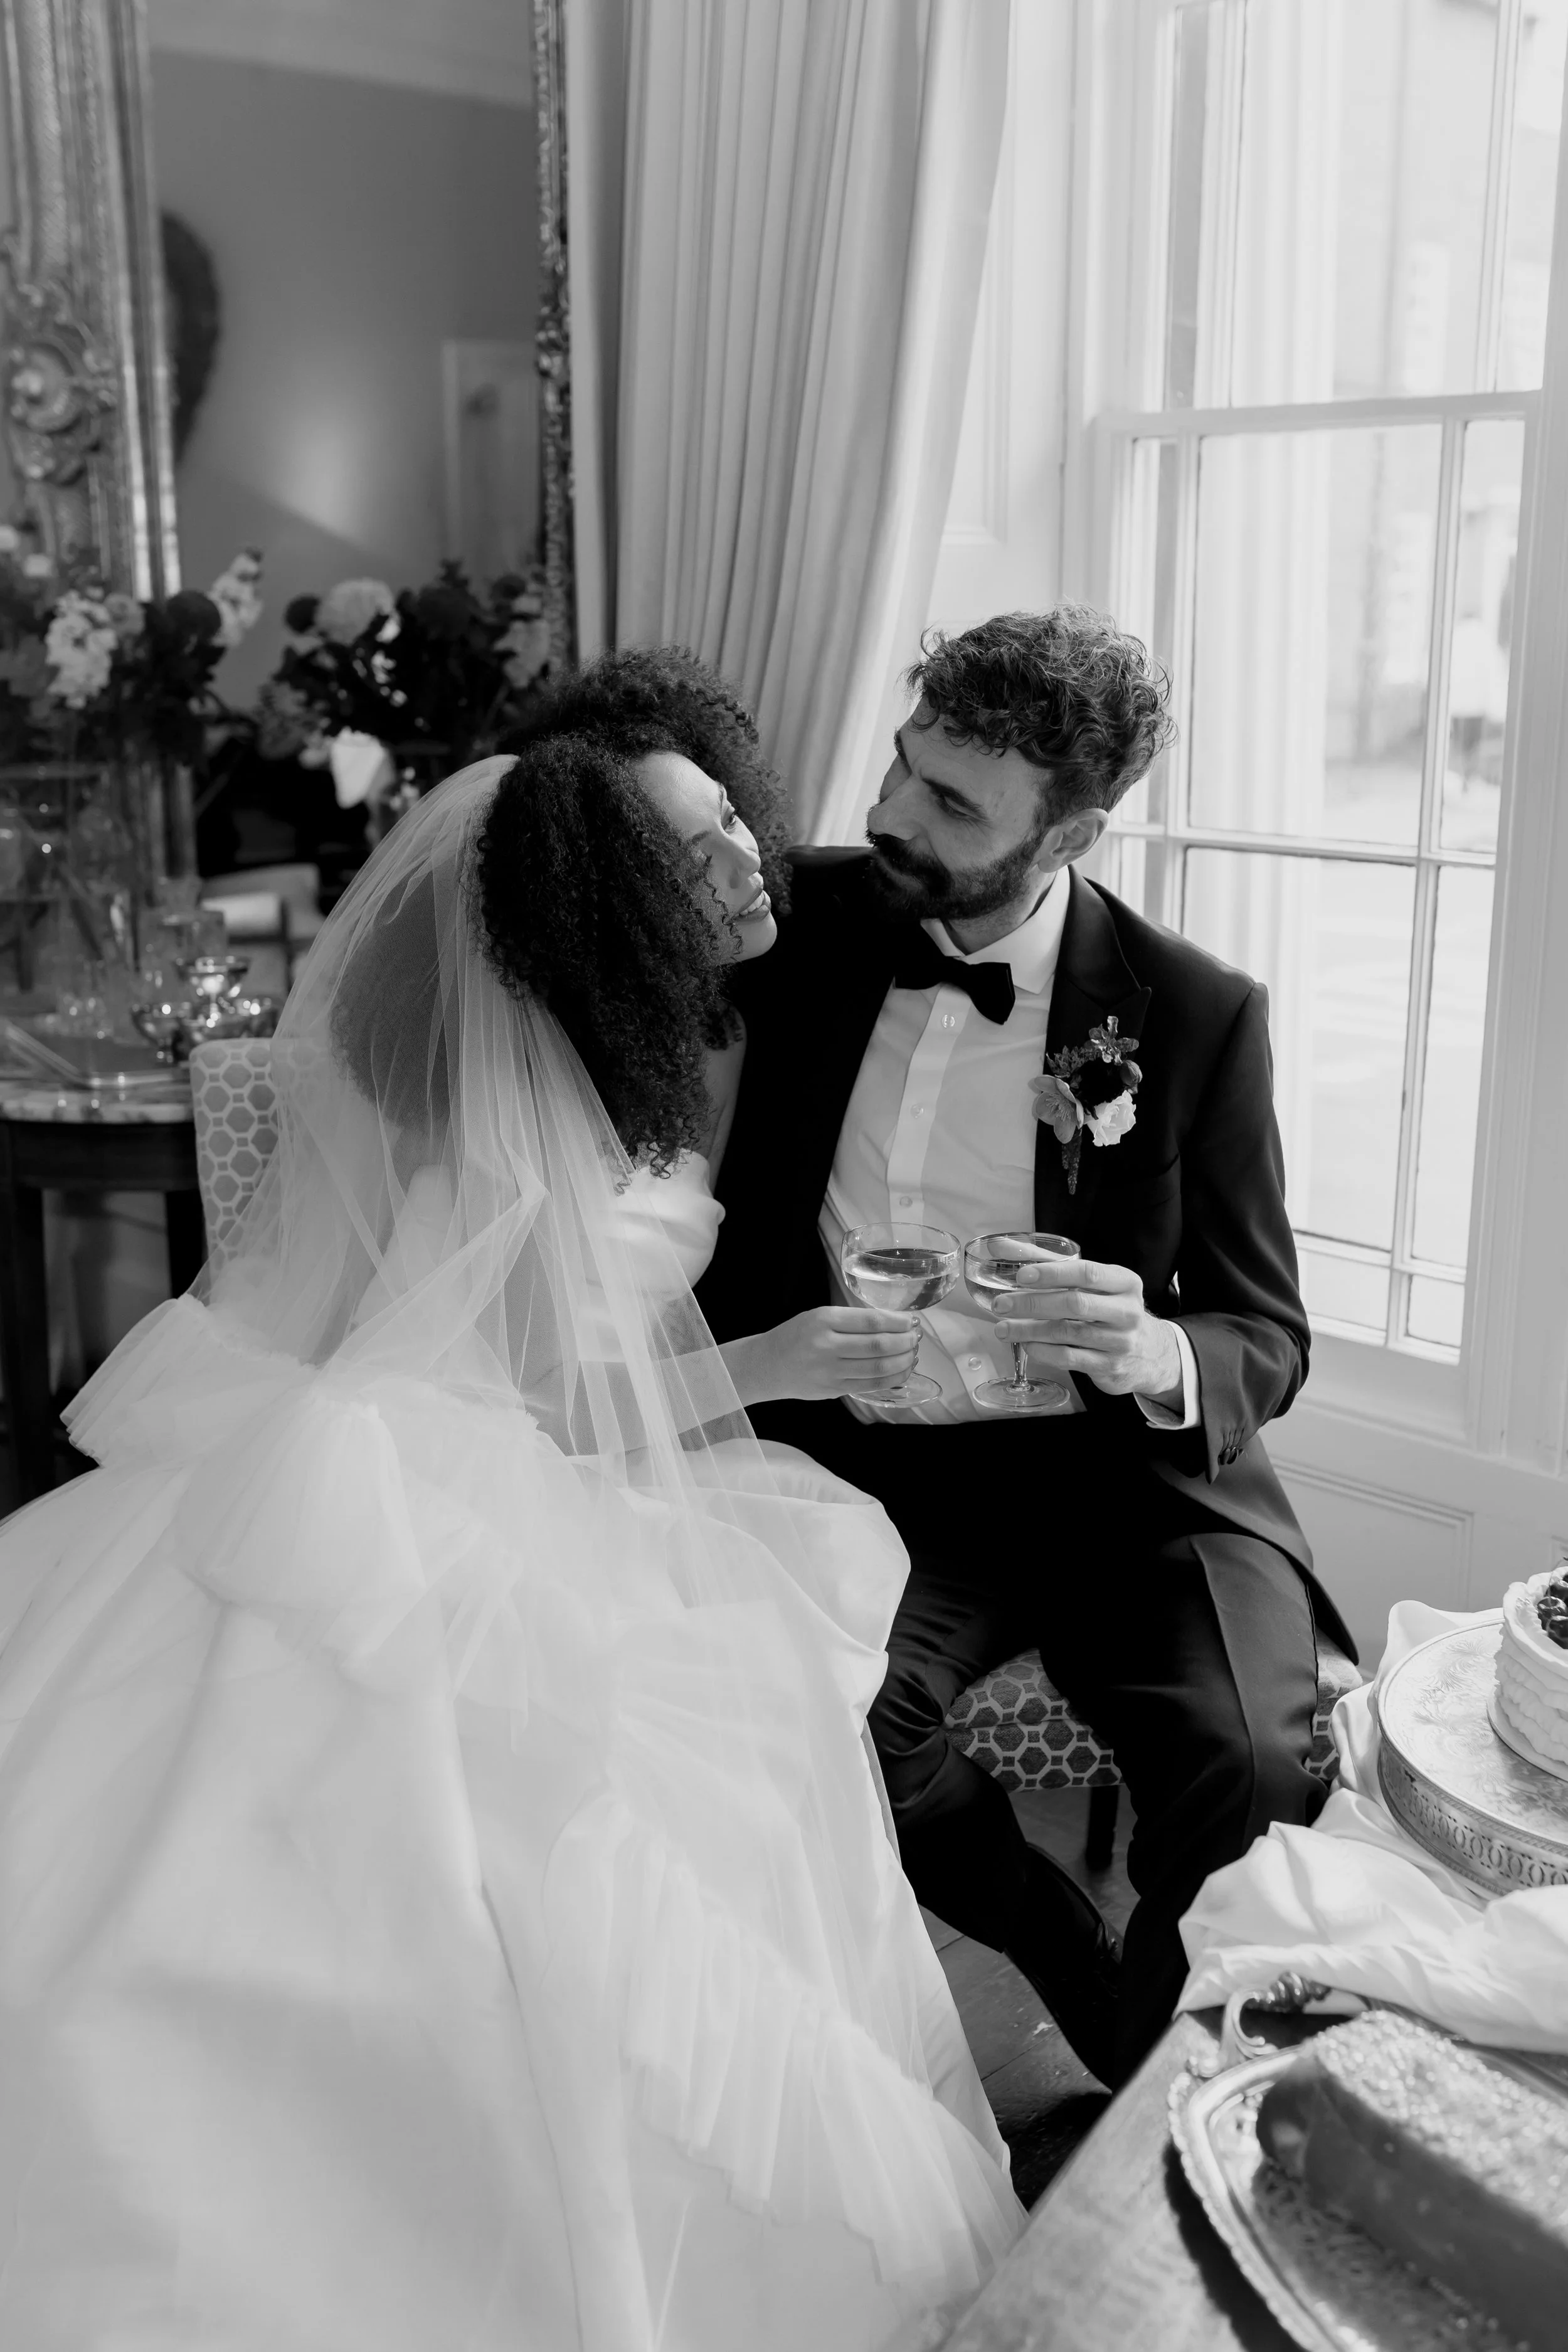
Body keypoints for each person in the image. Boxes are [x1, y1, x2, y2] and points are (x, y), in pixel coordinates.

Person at [0, 651, 1024, 2350]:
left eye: (733, 818)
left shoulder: (617, 1031)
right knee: (600, 1808)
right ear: (602, 904)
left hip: (463, 1454)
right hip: (458, 1472)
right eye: (693, 849)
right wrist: (776, 1360)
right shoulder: (512, 1110)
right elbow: (542, 1401)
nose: (748, 857)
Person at [697, 607, 1357, 2088]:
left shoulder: (1193, 1014)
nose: (889, 813)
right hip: (878, 1476)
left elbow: (1262, 1329)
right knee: (834, 1724)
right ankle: (1083, 1977)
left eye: (949, 802)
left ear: (1068, 834)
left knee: (1259, 1767)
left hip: (1133, 1488)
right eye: (900, 764)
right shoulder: (797, 925)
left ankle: (1173, 2096)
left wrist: (1150, 1346)